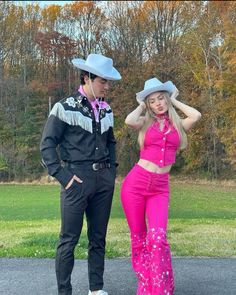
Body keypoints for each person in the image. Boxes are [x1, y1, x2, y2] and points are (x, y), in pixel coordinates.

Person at [40, 53, 121, 295]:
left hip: (103, 181)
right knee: (68, 240)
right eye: (103, 81)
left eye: (108, 82)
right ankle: (64, 292)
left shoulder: (107, 110)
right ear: (87, 78)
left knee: (98, 238)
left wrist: (111, 172)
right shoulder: (63, 107)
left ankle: (96, 289)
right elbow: (46, 145)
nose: (107, 86)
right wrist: (63, 176)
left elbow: (112, 142)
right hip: (76, 179)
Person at [120, 77, 201, 295]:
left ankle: (160, 289)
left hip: (160, 188)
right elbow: (129, 121)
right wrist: (141, 104)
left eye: (161, 98)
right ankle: (146, 287)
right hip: (135, 185)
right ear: (149, 104)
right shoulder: (145, 121)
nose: (158, 103)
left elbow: (196, 116)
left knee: (157, 239)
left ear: (166, 99)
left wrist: (175, 101)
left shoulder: (178, 125)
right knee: (139, 238)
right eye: (153, 100)